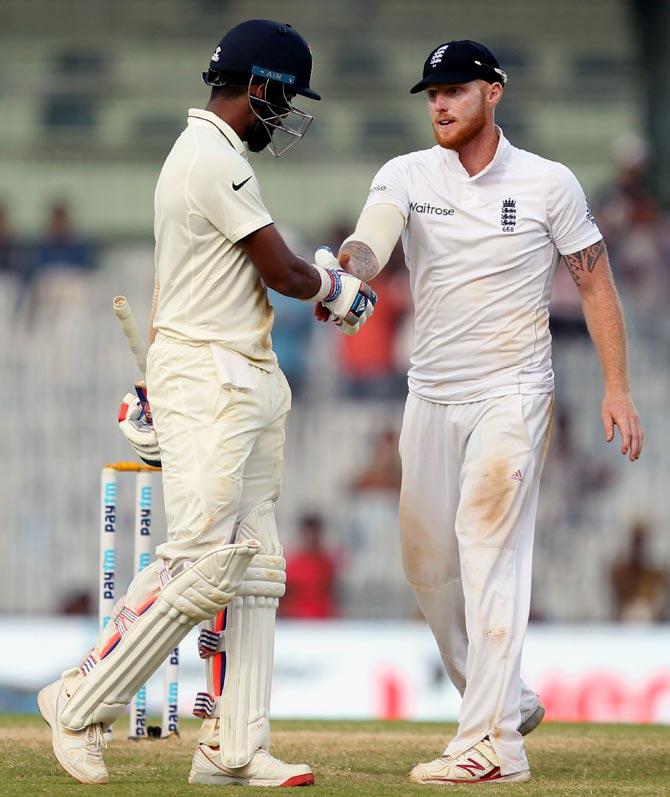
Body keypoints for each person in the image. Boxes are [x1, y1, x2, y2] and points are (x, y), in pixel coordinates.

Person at [38, 19, 376, 788]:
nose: (283, 117)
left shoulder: (215, 158)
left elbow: (183, 282)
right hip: (213, 380)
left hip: (241, 374)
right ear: (257, 85)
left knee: (253, 568)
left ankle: (232, 747)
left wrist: (155, 379)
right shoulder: (206, 158)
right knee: (199, 561)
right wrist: (339, 291)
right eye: (282, 100)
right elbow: (284, 271)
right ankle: (80, 698)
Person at [330, 39, 644, 785]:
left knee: (486, 549)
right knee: (426, 564)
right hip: (430, 393)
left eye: (454, 90)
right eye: (431, 93)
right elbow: (376, 238)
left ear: (493, 93)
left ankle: (493, 746)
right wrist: (349, 265)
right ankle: (503, 694)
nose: (438, 104)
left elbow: (595, 284)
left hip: (511, 390)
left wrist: (617, 385)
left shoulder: (548, 183)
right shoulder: (408, 173)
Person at [282, 513, 339, 619]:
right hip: (298, 621)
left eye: (315, 534)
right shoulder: (293, 565)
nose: (312, 539)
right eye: (309, 534)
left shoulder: (327, 564)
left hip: (323, 621)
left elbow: (332, 595)